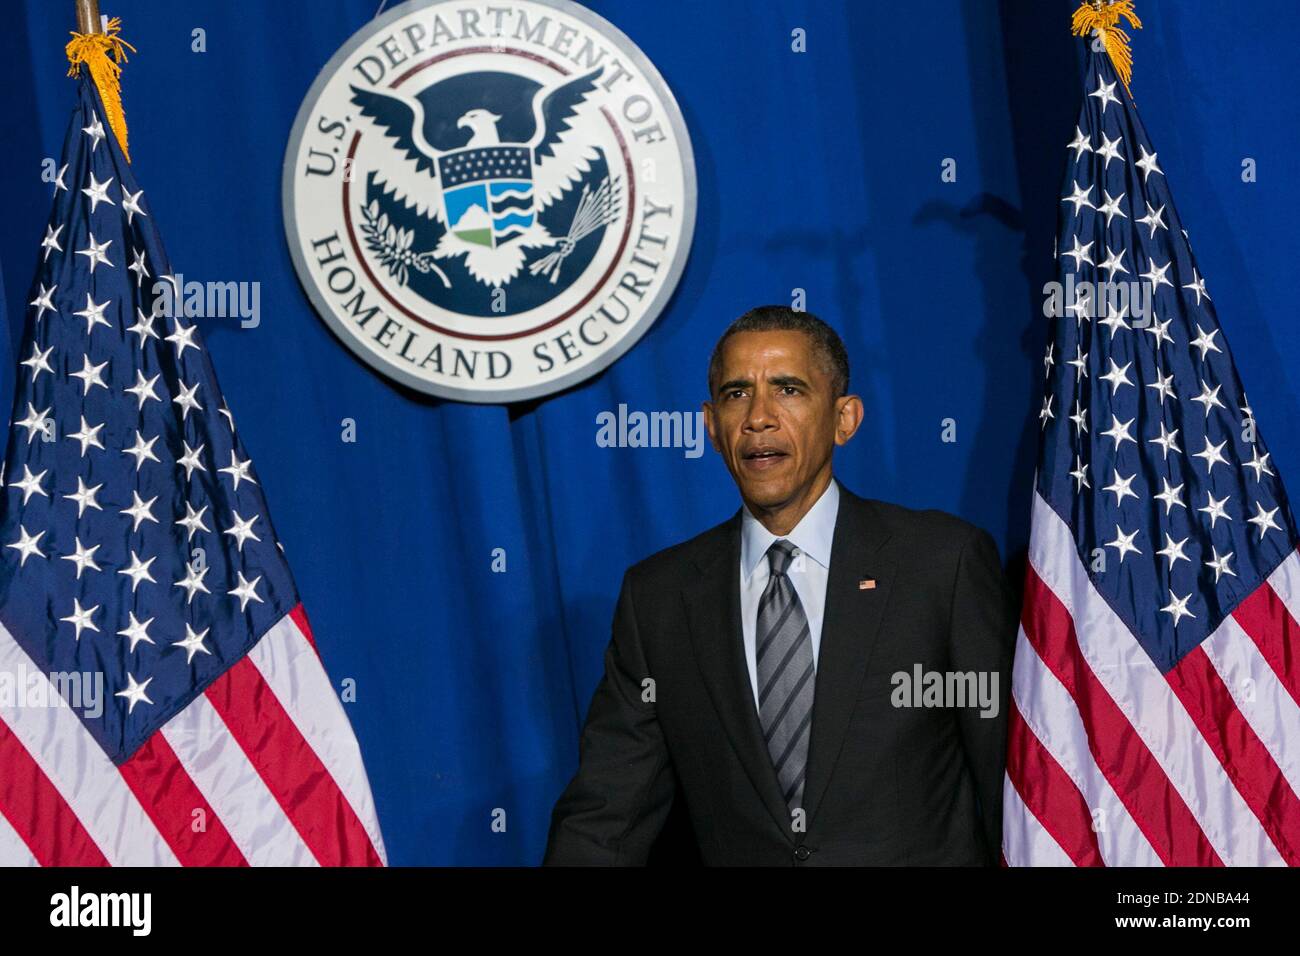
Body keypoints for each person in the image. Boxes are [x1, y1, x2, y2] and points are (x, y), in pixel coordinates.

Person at [544, 305, 1016, 865]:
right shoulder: (659, 599)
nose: (759, 418)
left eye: (788, 389)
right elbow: (607, 817)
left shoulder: (942, 564)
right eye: (736, 394)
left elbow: (1011, 785)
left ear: (845, 418)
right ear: (712, 427)